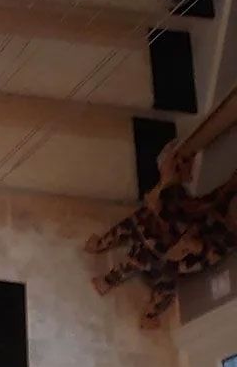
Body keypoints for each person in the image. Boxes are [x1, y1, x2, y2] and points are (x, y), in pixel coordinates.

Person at [86, 139, 237, 327]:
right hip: (178, 230)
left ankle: (142, 309)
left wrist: (191, 244)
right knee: (142, 222)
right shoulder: (219, 202)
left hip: (177, 258)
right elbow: (204, 202)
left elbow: (207, 251)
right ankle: (103, 248)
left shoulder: (228, 236)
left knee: (154, 265)